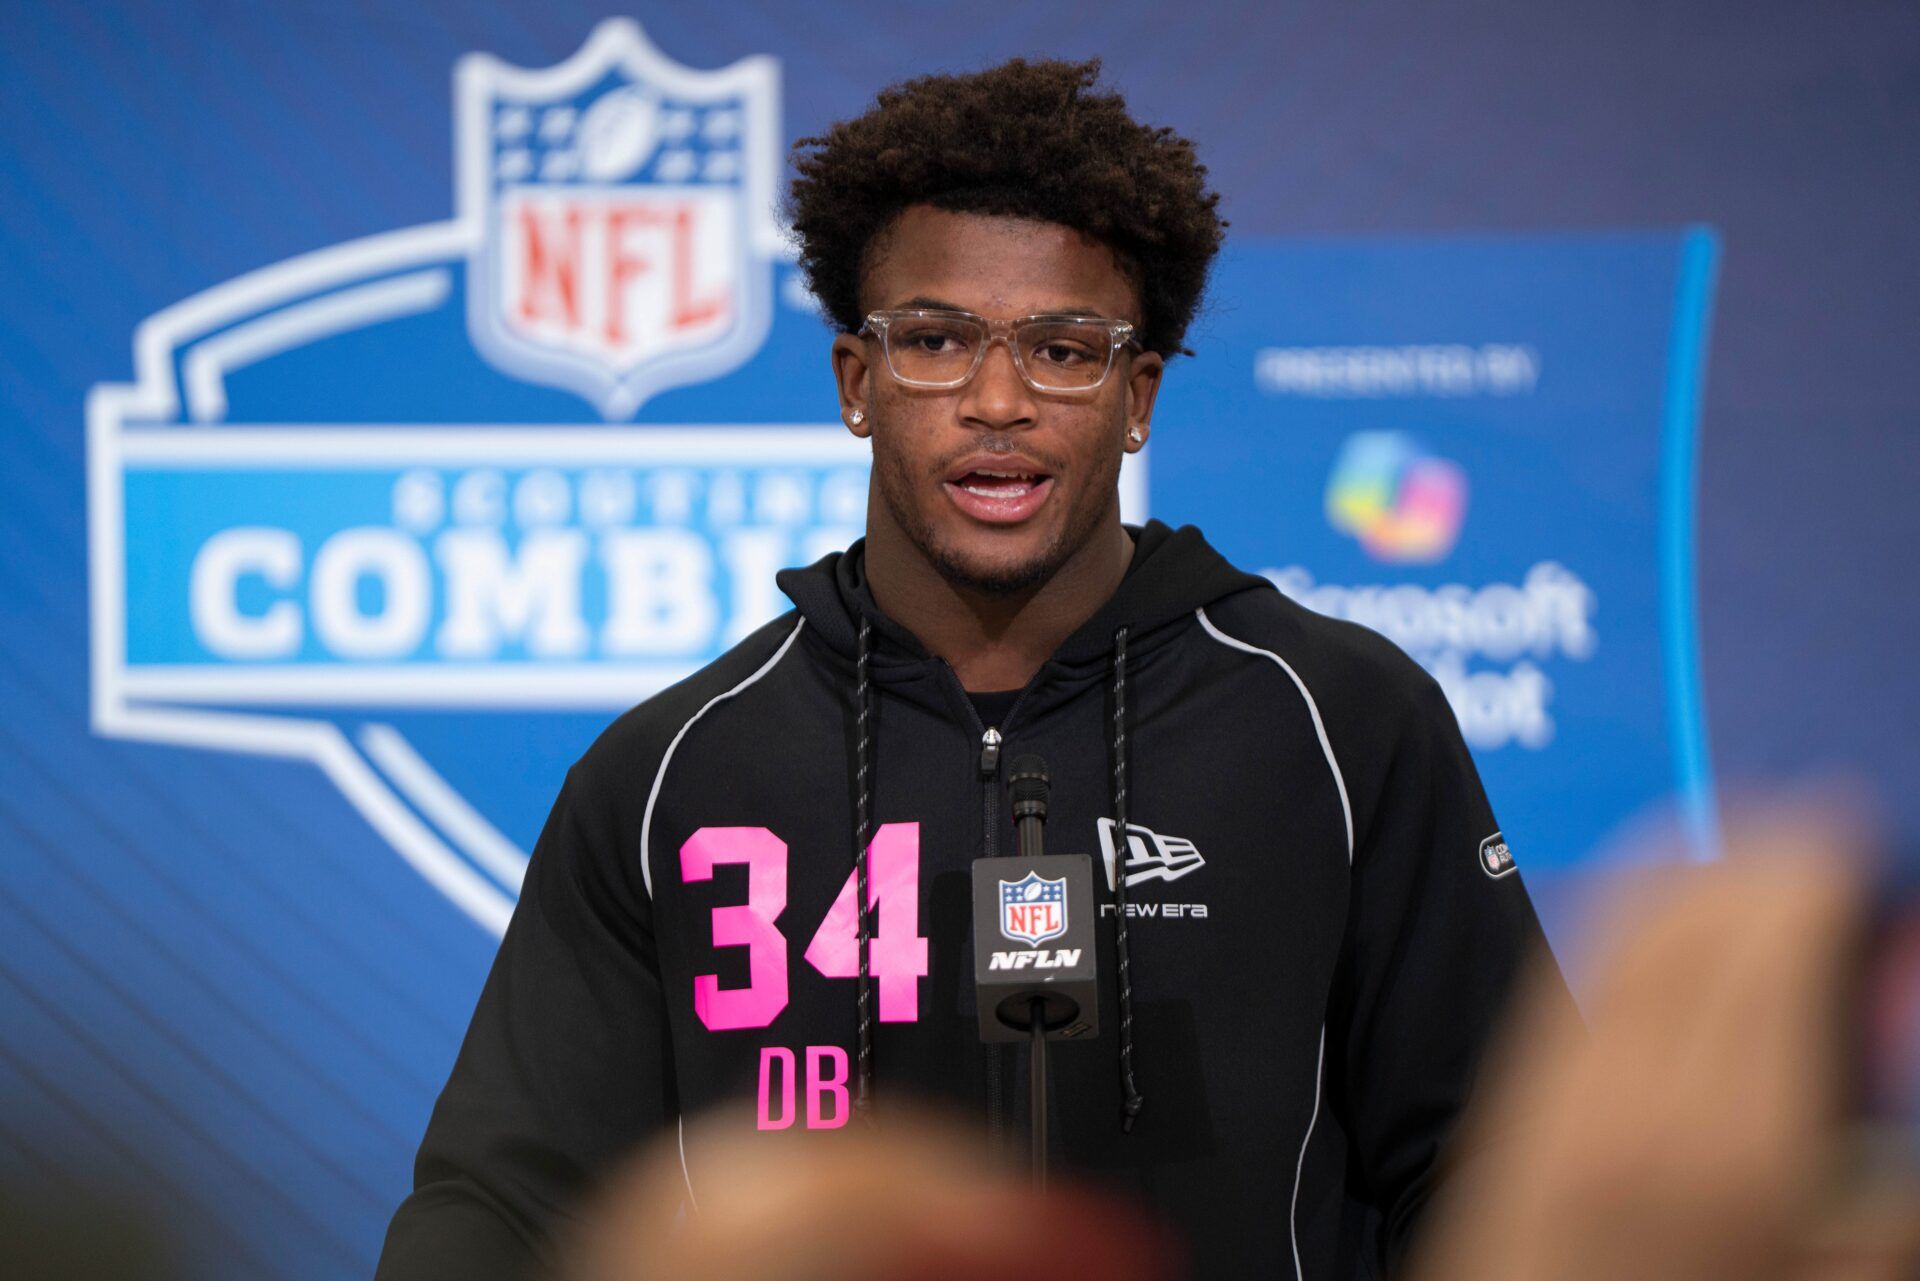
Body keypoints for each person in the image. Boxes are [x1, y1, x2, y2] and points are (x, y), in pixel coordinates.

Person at [376, 58, 1568, 1280]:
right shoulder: (670, 771)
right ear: (858, 381)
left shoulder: (1340, 721)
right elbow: (505, 1209)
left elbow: (1512, 1170)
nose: (998, 400)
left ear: (1137, 393)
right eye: (937, 341)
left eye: (1063, 349)